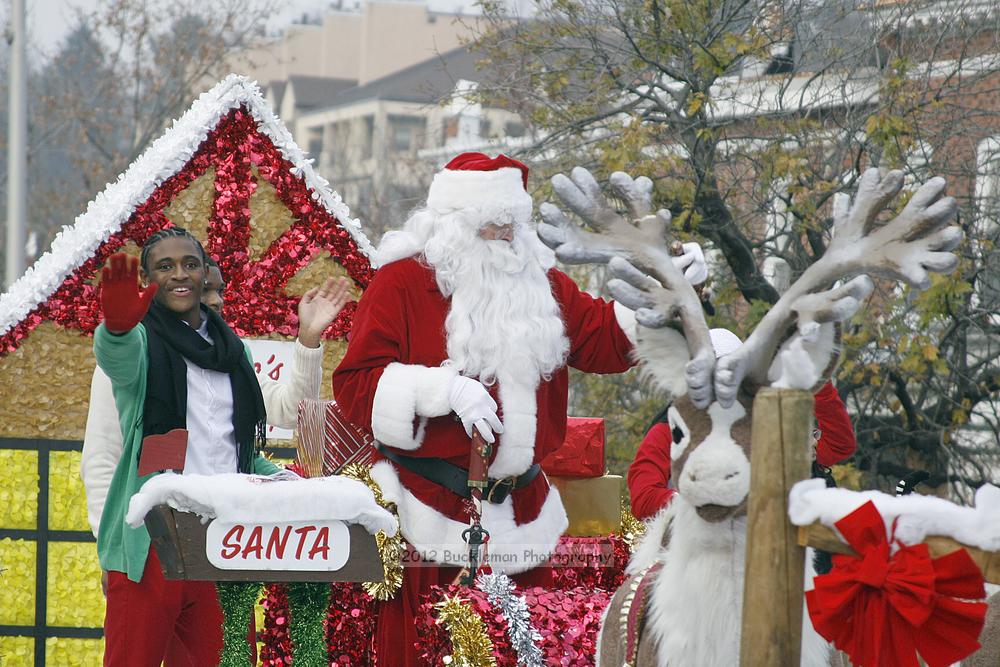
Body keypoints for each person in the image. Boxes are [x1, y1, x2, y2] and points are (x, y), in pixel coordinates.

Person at [332, 152, 706, 665]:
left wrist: (670, 291)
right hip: (430, 511)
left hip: (523, 515)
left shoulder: (543, 285)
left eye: (514, 225)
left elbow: (603, 341)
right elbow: (355, 386)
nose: (508, 239)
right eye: (492, 227)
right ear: (454, 227)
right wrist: (441, 390)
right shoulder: (400, 283)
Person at [88, 227, 348, 666]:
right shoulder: (140, 344)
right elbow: (117, 368)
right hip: (152, 539)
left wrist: (308, 340)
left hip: (223, 539)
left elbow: (258, 431)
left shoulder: (232, 352)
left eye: (190, 264)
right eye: (164, 267)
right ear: (148, 279)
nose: (180, 275)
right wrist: (114, 329)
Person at [626, 328, 857, 520]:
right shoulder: (670, 432)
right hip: (691, 555)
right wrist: (709, 502)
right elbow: (643, 498)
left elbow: (837, 445)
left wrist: (812, 376)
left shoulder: (760, 430)